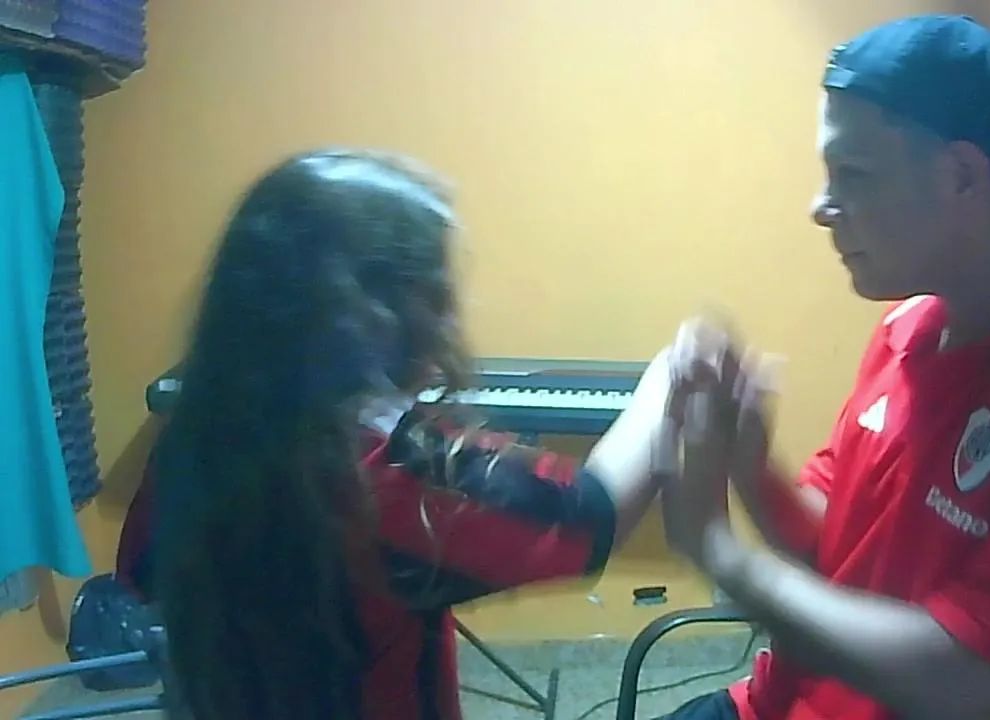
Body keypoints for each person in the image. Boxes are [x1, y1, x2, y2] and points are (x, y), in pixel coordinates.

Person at [656, 15, 990, 720]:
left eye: (853, 174)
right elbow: (833, 550)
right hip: (776, 701)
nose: (820, 208)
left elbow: (976, 681)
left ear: (962, 177)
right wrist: (751, 462)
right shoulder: (905, 327)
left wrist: (723, 556)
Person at [145, 149, 675, 720]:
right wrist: (670, 378)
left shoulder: (189, 446)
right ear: (373, 314)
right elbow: (589, 517)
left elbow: (143, 578)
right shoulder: (383, 478)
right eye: (435, 294)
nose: (448, 321)